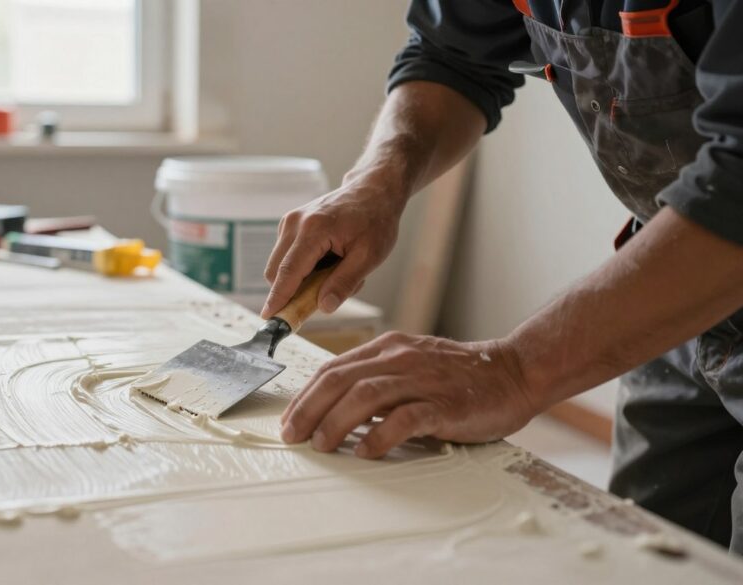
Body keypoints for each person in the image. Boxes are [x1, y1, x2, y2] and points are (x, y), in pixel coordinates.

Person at [265, 0, 743, 552]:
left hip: (711, 250)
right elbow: (452, 57)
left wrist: (516, 371)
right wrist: (377, 180)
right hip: (673, 291)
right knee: (650, 555)